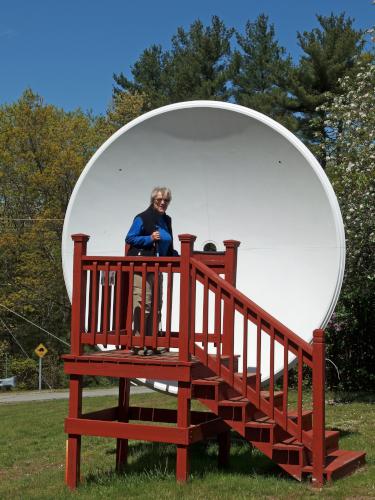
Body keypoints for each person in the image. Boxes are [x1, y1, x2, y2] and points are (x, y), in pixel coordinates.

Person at [125, 187, 177, 355]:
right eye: (159, 200)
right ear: (153, 200)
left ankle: (151, 342)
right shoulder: (142, 218)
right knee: (143, 304)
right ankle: (138, 343)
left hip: (158, 268)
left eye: (166, 200)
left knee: (156, 306)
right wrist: (149, 238)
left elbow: (168, 246)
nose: (163, 203)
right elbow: (130, 238)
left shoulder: (167, 220)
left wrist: (180, 257)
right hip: (143, 268)